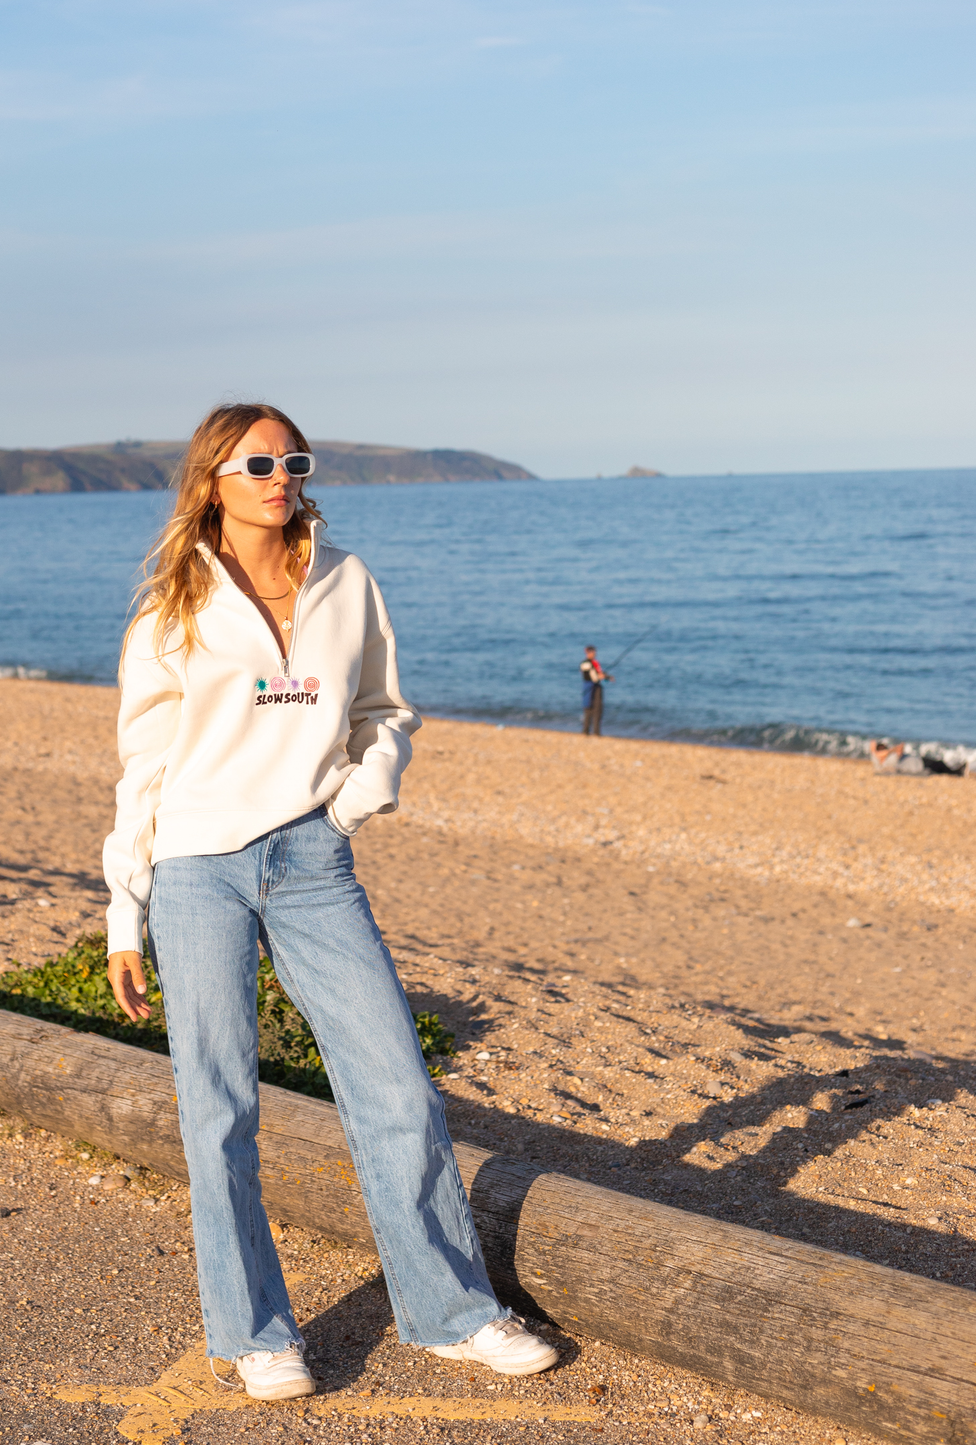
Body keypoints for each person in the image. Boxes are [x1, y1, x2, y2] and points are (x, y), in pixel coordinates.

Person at [102, 402, 559, 1402]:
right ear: (211, 477)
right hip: (195, 867)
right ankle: (252, 1330)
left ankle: (448, 1311)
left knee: (397, 1088)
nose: (278, 474)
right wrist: (122, 912)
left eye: (291, 458)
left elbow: (383, 709)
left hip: (314, 859)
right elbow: (141, 770)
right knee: (216, 1105)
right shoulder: (170, 608)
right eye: (255, 460)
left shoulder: (346, 581)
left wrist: (355, 797)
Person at [580, 645, 609, 736]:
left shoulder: (595, 663)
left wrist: (606, 677)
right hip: (589, 687)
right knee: (588, 708)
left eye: (594, 652)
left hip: (597, 687)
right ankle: (586, 730)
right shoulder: (585, 663)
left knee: (598, 709)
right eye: (591, 652)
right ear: (587, 652)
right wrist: (599, 676)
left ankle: (596, 731)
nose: (594, 653)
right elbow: (592, 675)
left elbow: (599, 673)